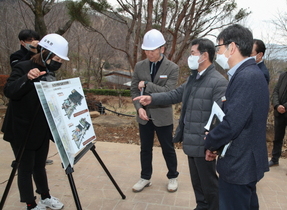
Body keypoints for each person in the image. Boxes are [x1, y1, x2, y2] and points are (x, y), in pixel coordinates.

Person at [133, 38, 228, 209]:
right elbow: (174, 95)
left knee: (210, 186)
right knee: (198, 184)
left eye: (192, 53)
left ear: (204, 55)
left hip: (205, 143)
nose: (189, 57)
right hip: (192, 140)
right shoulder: (194, 78)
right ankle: (201, 206)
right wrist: (151, 98)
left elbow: (219, 118)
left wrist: (213, 145)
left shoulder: (218, 82)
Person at [204, 24, 269, 210]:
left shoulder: (246, 76)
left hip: (240, 165)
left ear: (232, 48)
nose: (218, 53)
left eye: (219, 47)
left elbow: (233, 124)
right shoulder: (246, 74)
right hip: (243, 162)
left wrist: (210, 141)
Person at [1, 33, 69, 210]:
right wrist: (27, 78)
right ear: (45, 53)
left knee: (40, 165)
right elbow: (9, 91)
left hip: (40, 128)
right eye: (56, 57)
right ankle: (30, 204)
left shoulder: (50, 74)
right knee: (25, 167)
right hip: (20, 129)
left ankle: (45, 196)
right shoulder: (23, 67)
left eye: (61, 59)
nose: (59, 62)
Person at [130, 29, 179, 192]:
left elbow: (169, 93)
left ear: (162, 49)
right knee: (145, 148)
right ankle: (145, 177)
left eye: (153, 50)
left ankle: (173, 176)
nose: (149, 54)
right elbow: (134, 90)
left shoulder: (172, 68)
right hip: (144, 115)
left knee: (167, 147)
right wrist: (139, 109)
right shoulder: (139, 66)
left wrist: (147, 85)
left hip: (163, 115)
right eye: (146, 50)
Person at [10, 29, 54, 165]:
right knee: (25, 167)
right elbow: (18, 72)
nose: (33, 42)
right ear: (22, 42)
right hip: (21, 121)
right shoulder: (17, 57)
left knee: (38, 166)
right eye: (29, 40)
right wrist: (32, 52)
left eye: (35, 39)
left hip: (37, 122)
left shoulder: (45, 63)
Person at [268, 72, 287, 167]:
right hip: (279, 113)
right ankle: (275, 159)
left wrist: (284, 106)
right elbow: (275, 91)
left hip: (284, 109)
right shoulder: (283, 75)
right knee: (277, 138)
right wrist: (277, 105)